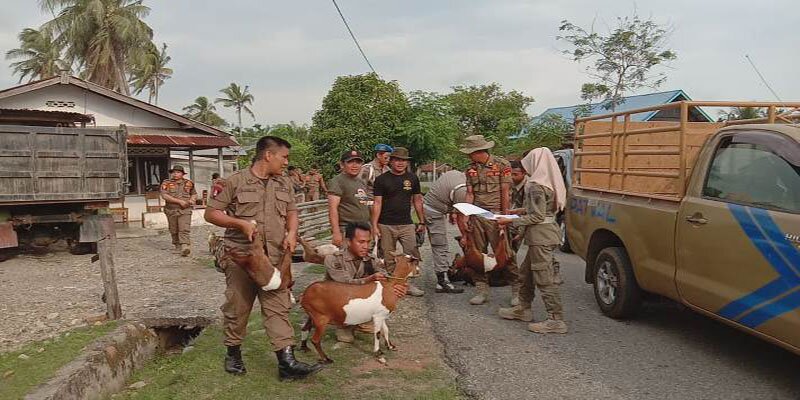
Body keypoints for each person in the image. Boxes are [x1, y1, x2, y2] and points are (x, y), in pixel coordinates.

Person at [204, 136, 322, 380]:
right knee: (239, 308)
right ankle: (233, 353)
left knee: (278, 307)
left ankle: (287, 363)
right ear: (268, 155)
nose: (286, 162)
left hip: (276, 258)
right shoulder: (234, 182)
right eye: (284, 157)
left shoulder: (284, 183)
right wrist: (239, 223)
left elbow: (291, 212)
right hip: (242, 258)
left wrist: (291, 233)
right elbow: (211, 213)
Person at [496, 148, 568, 334]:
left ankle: (555, 319)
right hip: (543, 234)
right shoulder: (548, 182)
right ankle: (523, 308)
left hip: (541, 237)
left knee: (544, 278)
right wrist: (517, 212)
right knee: (526, 274)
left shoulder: (536, 185)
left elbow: (537, 216)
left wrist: (511, 220)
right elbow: (541, 211)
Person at [460, 135, 520, 306]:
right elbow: (470, 193)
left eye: (470, 153)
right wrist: (465, 215)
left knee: (505, 252)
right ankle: (482, 289)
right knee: (477, 254)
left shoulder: (502, 165)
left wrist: (505, 216)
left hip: (495, 215)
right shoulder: (470, 169)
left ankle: (516, 289)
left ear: (479, 151)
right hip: (477, 215)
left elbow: (505, 192)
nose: (469, 156)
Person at [324, 222, 407, 344]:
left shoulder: (371, 259)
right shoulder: (333, 259)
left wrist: (397, 287)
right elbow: (344, 284)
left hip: (357, 301)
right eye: (361, 242)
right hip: (339, 301)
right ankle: (341, 323)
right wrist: (369, 279)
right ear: (348, 241)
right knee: (346, 337)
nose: (365, 246)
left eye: (368, 242)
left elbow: (385, 276)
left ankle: (358, 321)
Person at [370, 147, 425, 297]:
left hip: (407, 223)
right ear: (391, 161)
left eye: (404, 160)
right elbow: (377, 203)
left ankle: (408, 285)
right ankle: (392, 285)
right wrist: (374, 225)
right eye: (397, 160)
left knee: (412, 254)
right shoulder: (381, 180)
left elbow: (417, 200)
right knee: (388, 256)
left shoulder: (412, 178)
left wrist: (421, 221)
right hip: (386, 224)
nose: (400, 163)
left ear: (407, 162)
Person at [422, 170, 467, 294]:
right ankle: (442, 282)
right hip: (432, 212)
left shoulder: (459, 175)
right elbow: (461, 217)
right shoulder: (463, 189)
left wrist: (452, 211)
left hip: (427, 207)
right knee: (440, 245)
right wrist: (465, 236)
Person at [327, 150, 370, 247]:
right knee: (347, 259)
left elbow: (363, 204)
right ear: (342, 165)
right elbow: (332, 208)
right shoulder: (337, 181)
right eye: (350, 162)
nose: (355, 165)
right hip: (346, 229)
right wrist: (336, 232)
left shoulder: (361, 182)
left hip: (363, 228)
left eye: (358, 162)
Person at [160, 165, 197, 257]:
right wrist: (179, 201)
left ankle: (185, 246)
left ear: (182, 174)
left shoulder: (189, 183)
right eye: (174, 172)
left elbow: (194, 194)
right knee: (173, 228)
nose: (175, 174)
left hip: (185, 210)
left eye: (178, 172)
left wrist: (192, 200)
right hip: (171, 210)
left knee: (184, 227)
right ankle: (177, 245)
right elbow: (164, 195)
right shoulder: (166, 183)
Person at [508, 160, 527, 251]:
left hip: (523, 221)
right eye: (510, 174)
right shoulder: (511, 184)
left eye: (515, 174)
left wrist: (521, 232)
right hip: (512, 220)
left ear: (524, 173)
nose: (512, 177)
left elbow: (527, 211)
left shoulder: (529, 187)